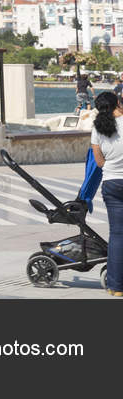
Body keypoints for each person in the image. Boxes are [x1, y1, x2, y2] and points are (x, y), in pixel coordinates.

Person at [91, 90, 123, 296]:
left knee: (117, 235)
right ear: (117, 103)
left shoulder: (97, 128)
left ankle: (115, 287)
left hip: (111, 183)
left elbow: (99, 161)